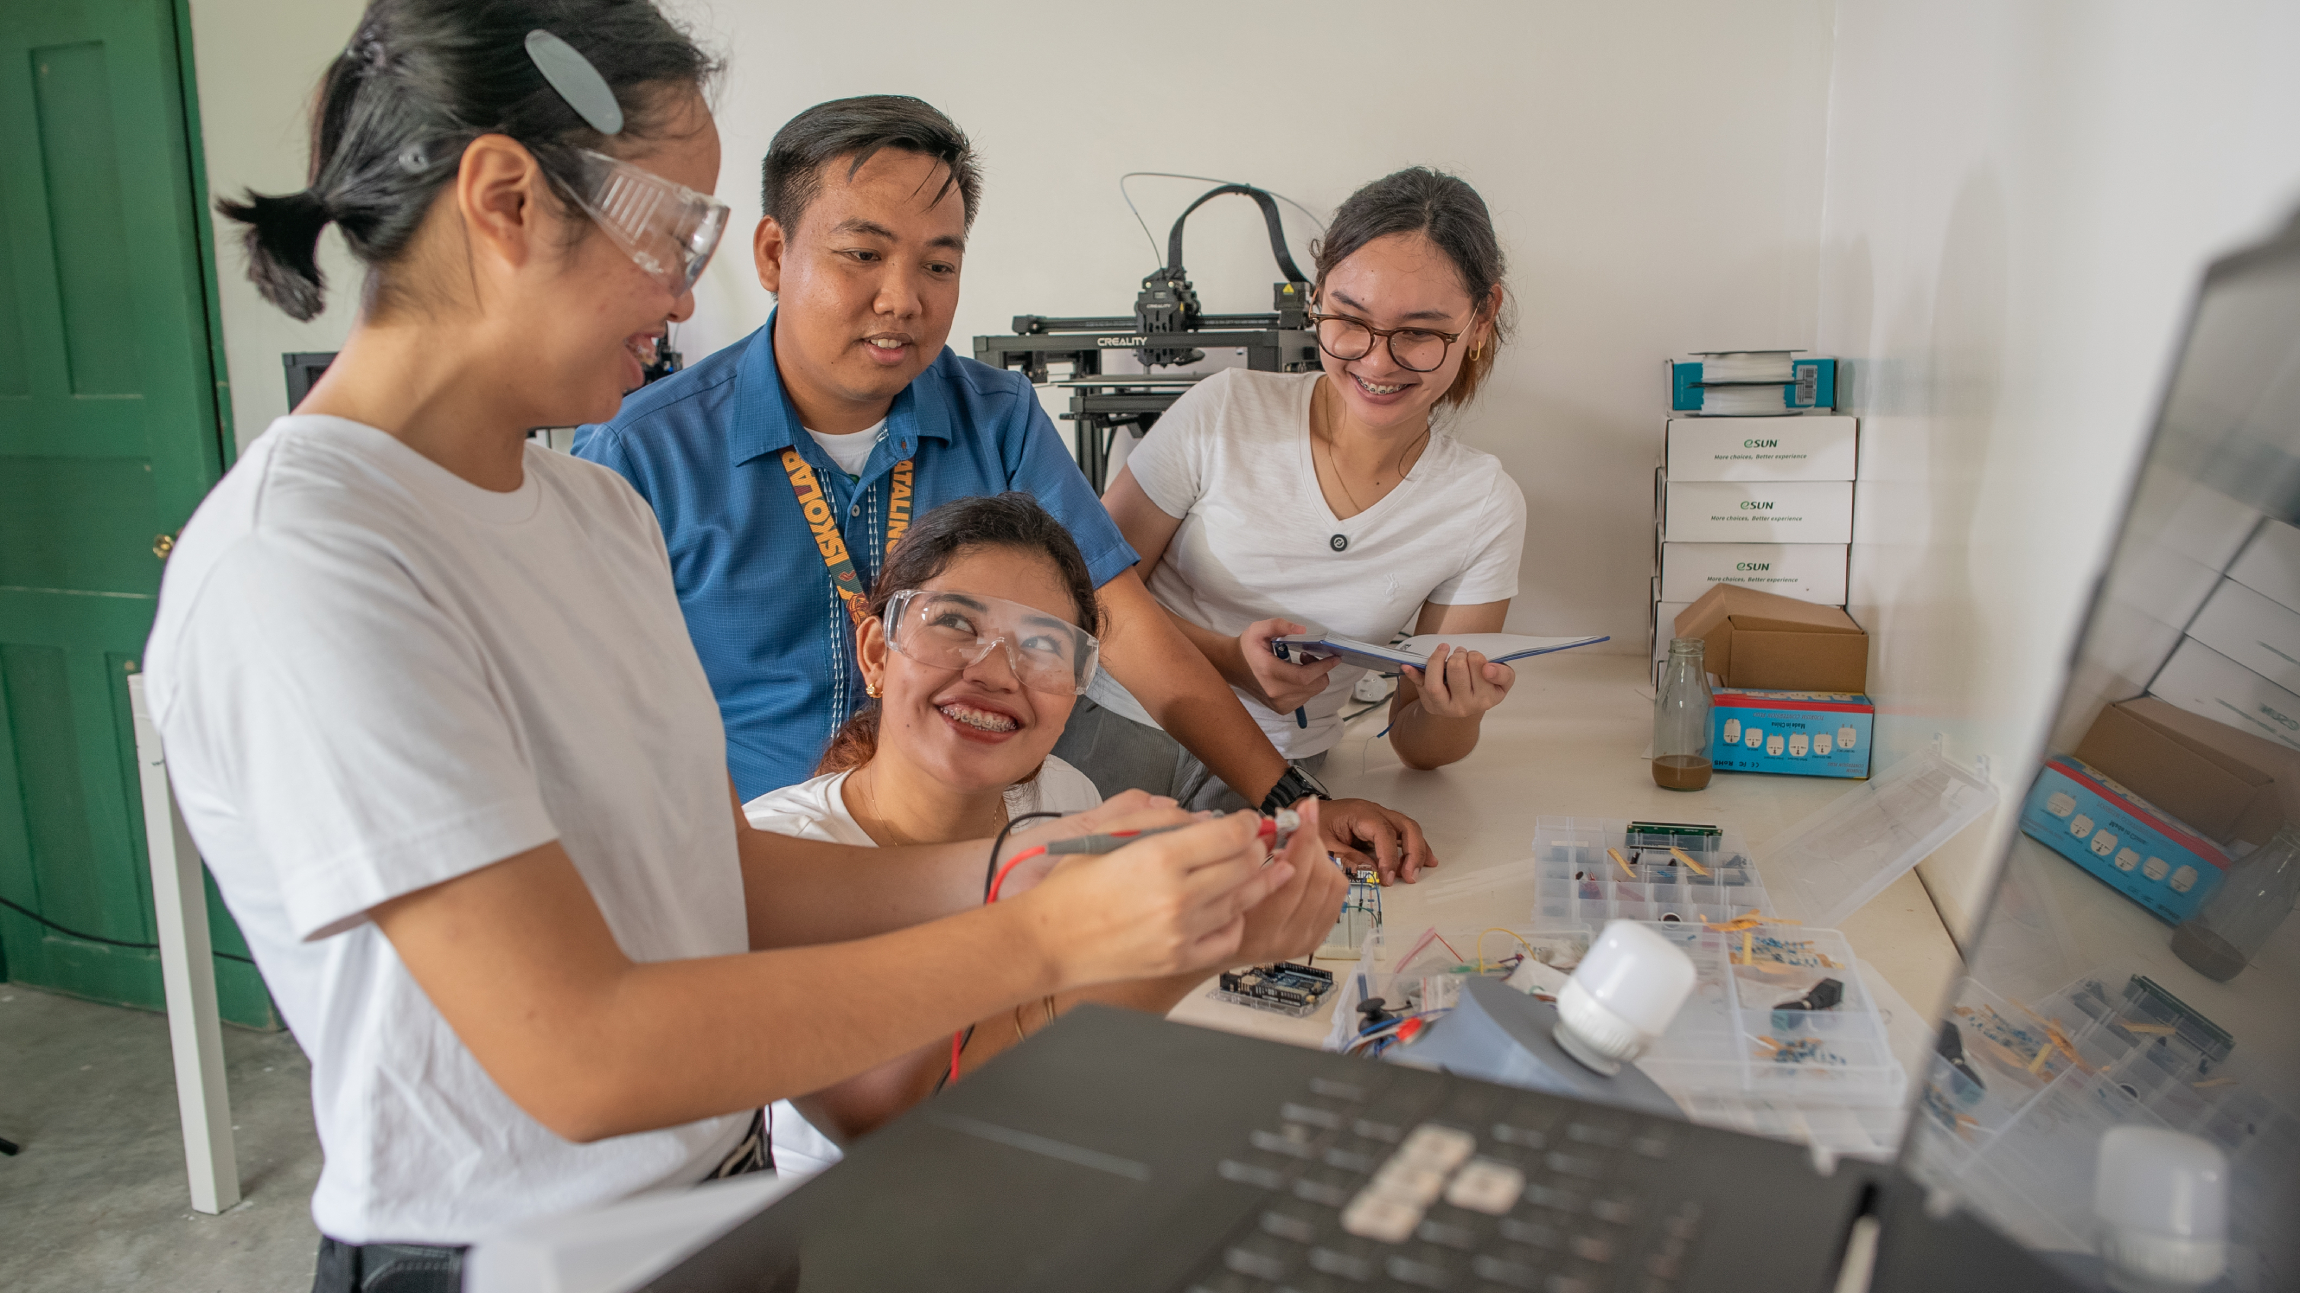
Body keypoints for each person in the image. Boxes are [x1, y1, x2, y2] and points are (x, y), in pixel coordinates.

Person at [143, 5, 1339, 1285]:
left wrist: (1034, 862)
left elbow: (720, 873)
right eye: (672, 235)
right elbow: (580, 1054)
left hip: (717, 1192)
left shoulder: (591, 513)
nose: (681, 295)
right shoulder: (311, 559)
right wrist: (1052, 936)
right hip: (503, 1252)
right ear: (504, 203)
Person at [571, 95, 1437, 880]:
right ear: (772, 253)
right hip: (761, 869)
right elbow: (598, 730)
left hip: (978, 851)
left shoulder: (997, 417)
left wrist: (1294, 799)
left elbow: (1122, 622)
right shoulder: (638, 454)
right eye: (863, 255)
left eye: (938, 266)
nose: (902, 299)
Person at [1062, 167, 1528, 787]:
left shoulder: (1481, 504)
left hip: (1282, 767)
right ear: (1317, 295)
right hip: (1124, 722)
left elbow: (1419, 748)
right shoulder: (1226, 410)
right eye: (1350, 319)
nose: (1376, 361)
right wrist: (1229, 660)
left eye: (1418, 332)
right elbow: (1082, 596)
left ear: (1482, 317)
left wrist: (1455, 710)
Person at [745, 492, 1161, 1178]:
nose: (994, 671)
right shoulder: (773, 857)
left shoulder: (1066, 801)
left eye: (1042, 645)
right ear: (876, 654)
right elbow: (889, 1123)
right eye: (955, 624)